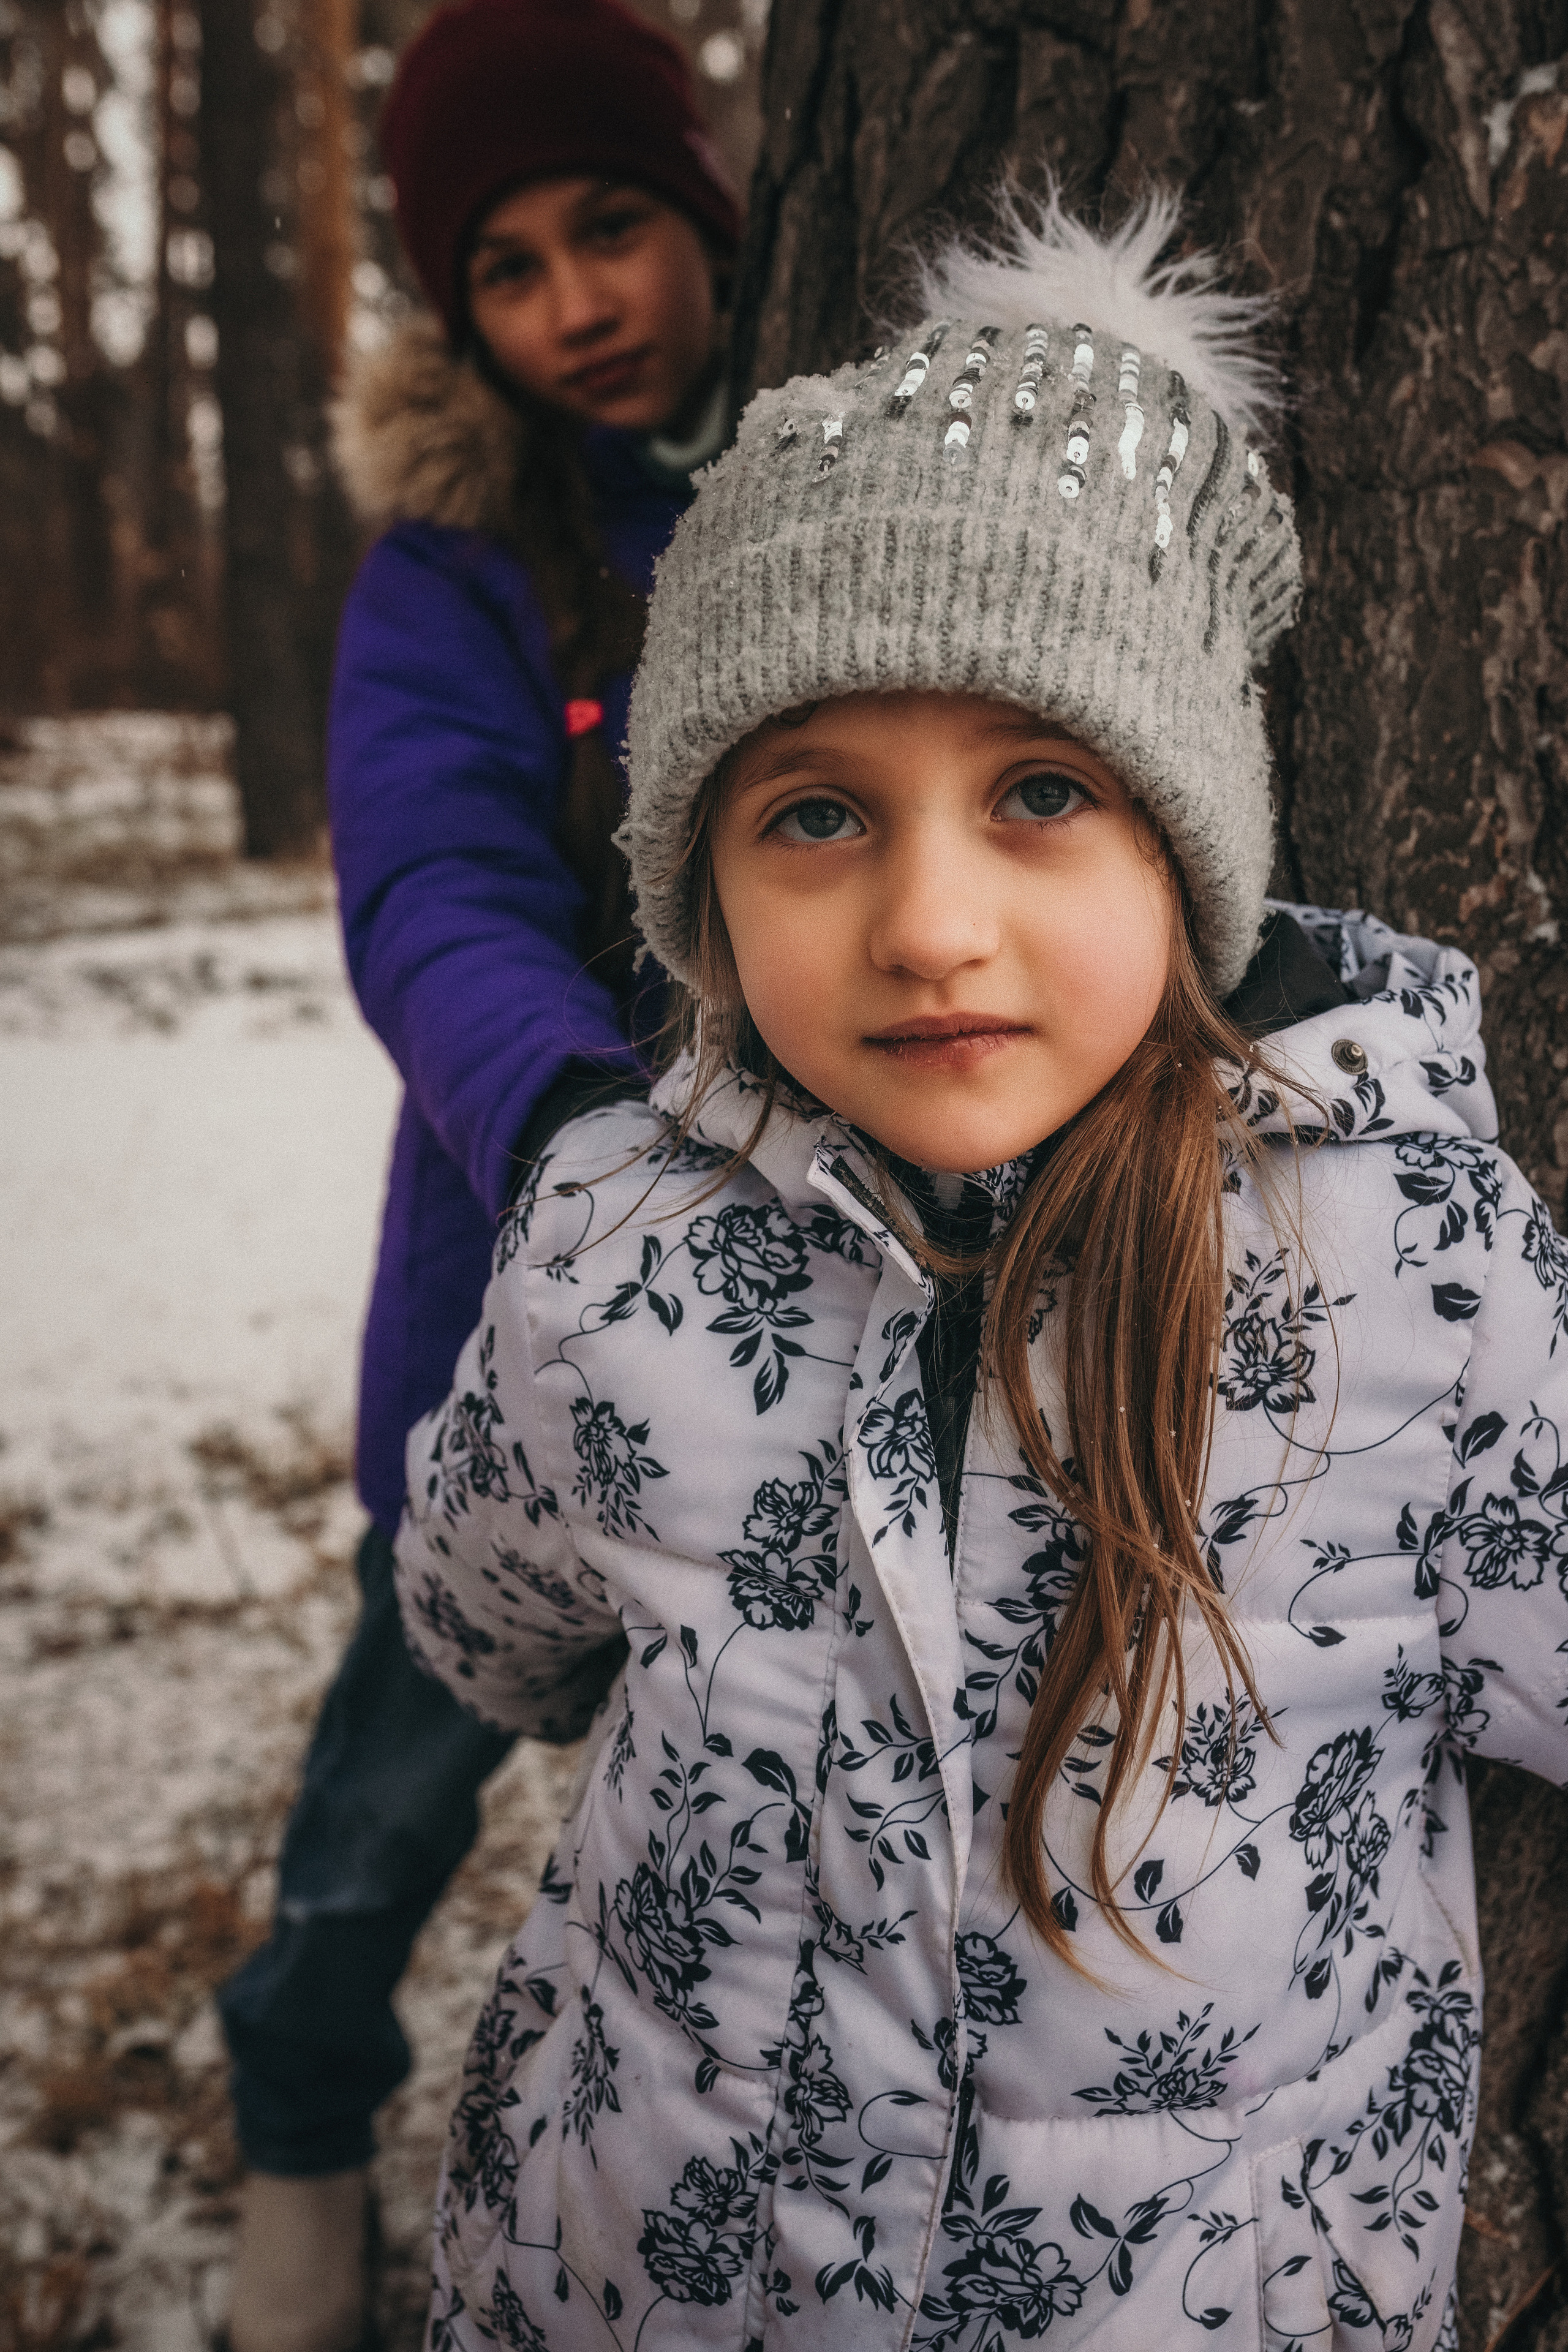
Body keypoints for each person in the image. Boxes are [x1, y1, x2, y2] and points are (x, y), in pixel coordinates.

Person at [392, 189, 1539, 2352]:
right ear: (703, 888)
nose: (929, 926)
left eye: (1039, 792)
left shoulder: (1406, 1284)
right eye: (816, 816)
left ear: (1189, 844)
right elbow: (481, 1609)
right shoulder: (615, 1249)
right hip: (630, 2273)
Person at [215, 5, 740, 2346]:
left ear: (705, 205)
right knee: (383, 1811)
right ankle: (300, 2125)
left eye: (611, 227)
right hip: (503, 1322)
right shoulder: (456, 572)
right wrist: (568, 1139)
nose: (574, 305)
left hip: (812, 1340)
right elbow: (432, 882)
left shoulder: (819, 481)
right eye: (506, 269)